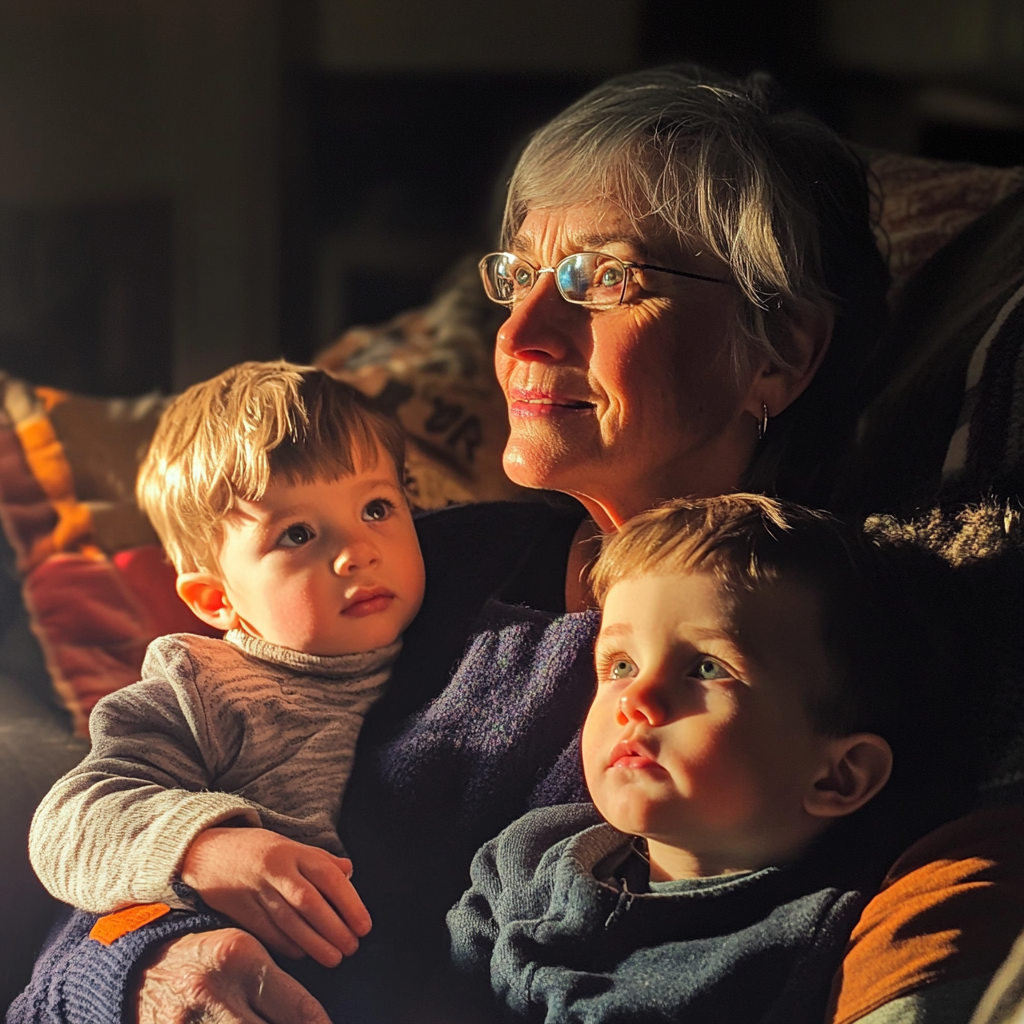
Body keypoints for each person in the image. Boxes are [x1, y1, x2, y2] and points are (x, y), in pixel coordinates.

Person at [14, 64, 1014, 1024]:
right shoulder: (411, 573)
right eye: (520, 275)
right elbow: (125, 864)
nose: (524, 333)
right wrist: (155, 956)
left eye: (604, 277)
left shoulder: (827, 656)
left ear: (782, 349)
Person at [447, 494, 954, 1023]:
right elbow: (431, 991)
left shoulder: (815, 952)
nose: (634, 701)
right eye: (621, 665)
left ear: (838, 777)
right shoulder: (528, 855)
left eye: (708, 669)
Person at [28, 361, 425, 970]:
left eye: (376, 507)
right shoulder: (204, 687)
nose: (358, 552)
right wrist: (205, 853)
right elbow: (66, 825)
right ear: (217, 600)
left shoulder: (460, 632)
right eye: (296, 534)